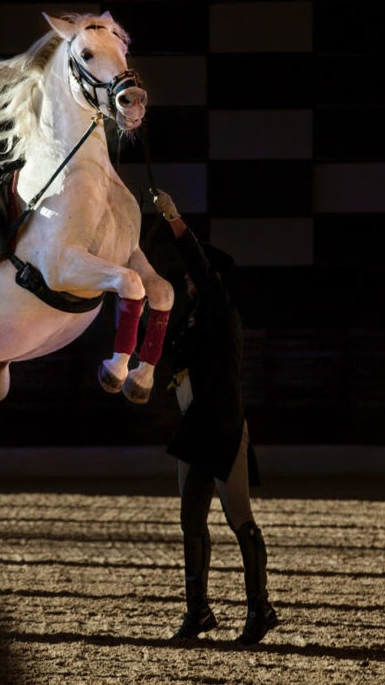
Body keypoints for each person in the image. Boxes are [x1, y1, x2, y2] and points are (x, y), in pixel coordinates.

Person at [149, 190, 279, 645]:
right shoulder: (196, 315)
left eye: (197, 272)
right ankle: (199, 613)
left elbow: (199, 268)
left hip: (221, 427)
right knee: (191, 519)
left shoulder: (220, 307)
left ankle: (260, 610)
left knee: (239, 517)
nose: (188, 275)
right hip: (196, 427)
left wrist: (173, 217)